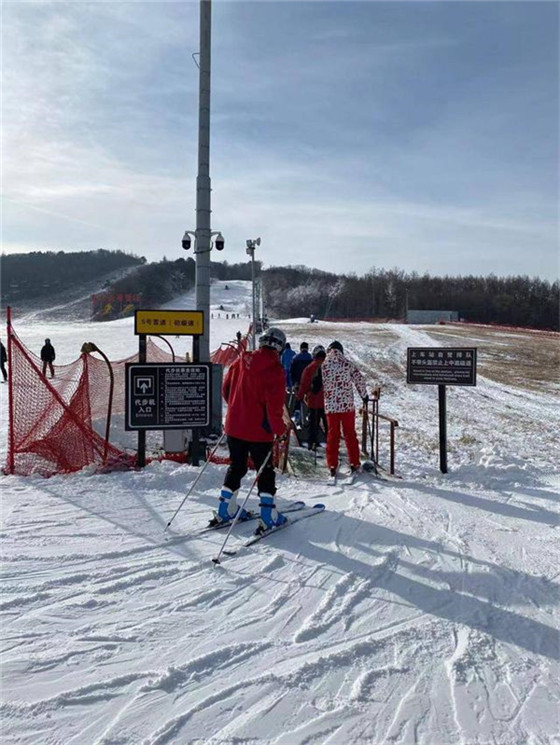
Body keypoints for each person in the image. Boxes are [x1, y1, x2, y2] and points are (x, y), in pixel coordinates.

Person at [214, 326, 288, 529]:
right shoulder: (275, 371)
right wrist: (279, 430)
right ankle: (268, 515)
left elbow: (226, 388)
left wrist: (237, 409)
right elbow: (274, 407)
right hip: (259, 431)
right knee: (265, 470)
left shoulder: (241, 360)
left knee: (236, 466)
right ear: (279, 348)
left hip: (234, 426)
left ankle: (225, 509)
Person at [321, 340, 368, 481]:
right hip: (347, 406)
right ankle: (354, 461)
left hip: (331, 407)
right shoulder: (347, 364)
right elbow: (359, 379)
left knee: (332, 435)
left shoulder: (324, 365)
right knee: (349, 434)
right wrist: (364, 396)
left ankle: (332, 464)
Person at [297, 345, 328, 451]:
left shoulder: (310, 368)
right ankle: (332, 445)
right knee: (328, 425)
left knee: (313, 425)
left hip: (313, 401)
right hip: (327, 402)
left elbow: (304, 384)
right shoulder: (329, 367)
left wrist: (300, 396)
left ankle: (312, 444)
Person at [290, 342, 312, 422]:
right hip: (308, 383)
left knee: (298, 399)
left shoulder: (295, 358)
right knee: (309, 399)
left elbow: (291, 371)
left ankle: (297, 416)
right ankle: (309, 415)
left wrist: (292, 382)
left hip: (298, 382)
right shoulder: (310, 358)